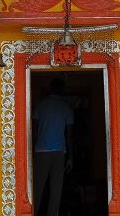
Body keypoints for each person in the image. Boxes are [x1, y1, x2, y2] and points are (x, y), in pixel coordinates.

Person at [32, 78, 74, 216]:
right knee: (56, 190)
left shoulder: (40, 105)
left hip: (40, 152)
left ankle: (33, 212)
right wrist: (70, 158)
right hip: (59, 153)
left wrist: (30, 153)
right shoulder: (66, 108)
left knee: (38, 188)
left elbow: (33, 130)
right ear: (63, 90)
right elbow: (69, 136)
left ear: (50, 89)